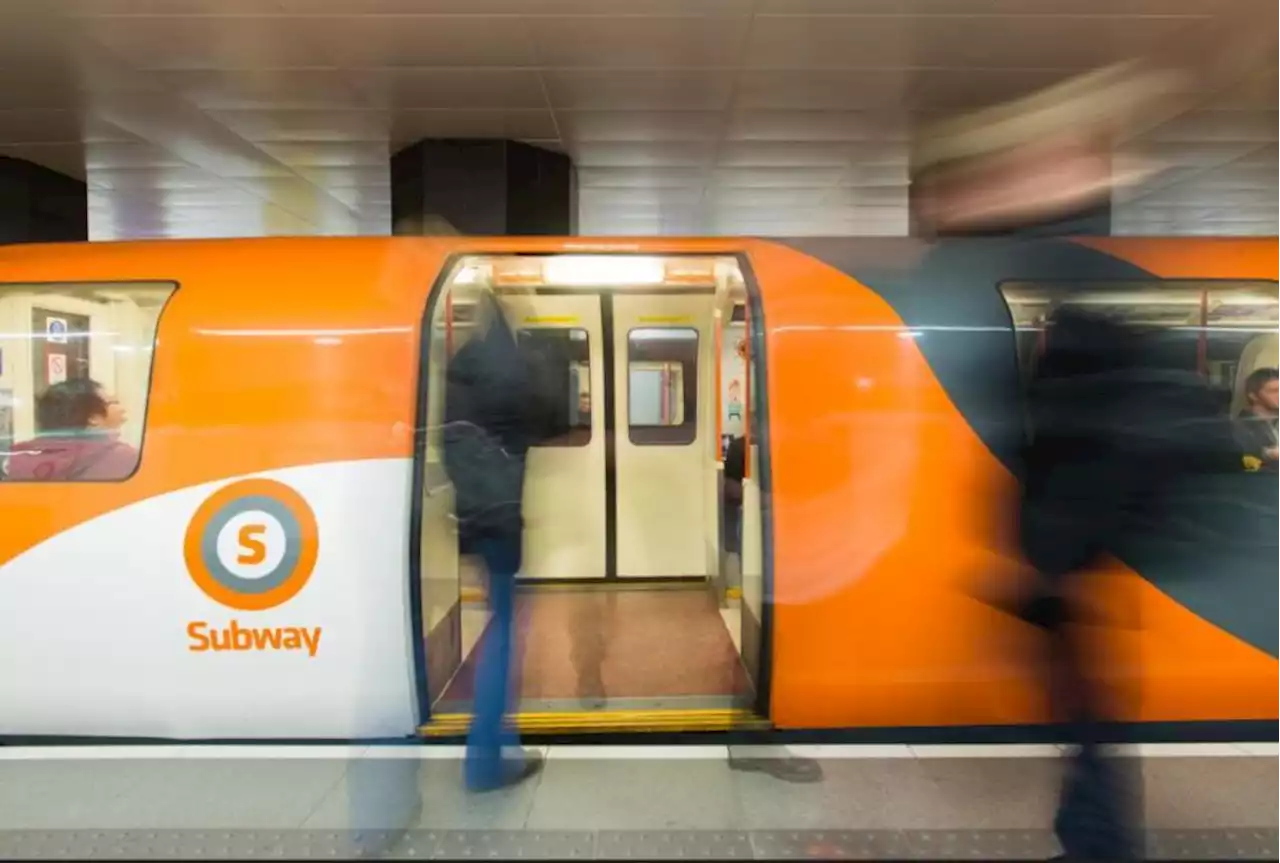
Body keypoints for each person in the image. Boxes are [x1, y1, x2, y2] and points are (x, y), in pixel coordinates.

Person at [442, 292, 556, 793]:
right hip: (500, 515)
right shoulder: (505, 363)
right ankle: (487, 760)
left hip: (475, 514)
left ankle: (492, 751)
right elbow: (549, 417)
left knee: (499, 623)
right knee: (505, 630)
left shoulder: (464, 364)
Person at [5, 378, 137, 481]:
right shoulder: (126, 459)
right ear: (93, 418)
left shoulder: (17, 458)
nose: (122, 409)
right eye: (114, 402)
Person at [1232, 367, 1280, 472]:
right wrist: (1267, 453)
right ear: (1253, 396)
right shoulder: (1240, 427)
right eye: (1274, 391)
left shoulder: (1276, 423)